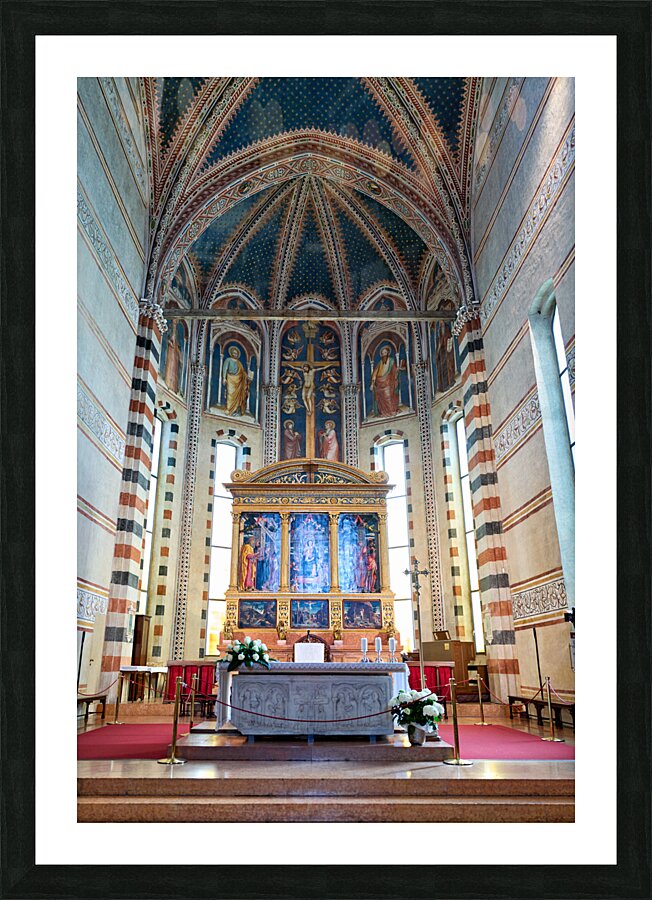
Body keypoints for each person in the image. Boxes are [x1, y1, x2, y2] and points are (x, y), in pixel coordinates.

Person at [370, 345, 403, 418]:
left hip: (388, 382)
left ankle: (391, 411)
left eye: (385, 352)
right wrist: (372, 384)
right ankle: (383, 412)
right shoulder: (379, 363)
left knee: (387, 395)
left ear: (388, 353)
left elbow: (394, 370)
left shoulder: (391, 361)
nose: (384, 354)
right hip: (379, 383)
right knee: (379, 395)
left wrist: (398, 370)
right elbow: (374, 373)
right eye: (382, 353)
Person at [222, 346, 253, 416]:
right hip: (230, 378)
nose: (235, 354)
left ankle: (236, 410)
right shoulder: (228, 360)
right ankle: (228, 409)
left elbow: (243, 372)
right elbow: (225, 369)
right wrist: (224, 378)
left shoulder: (239, 363)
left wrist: (248, 377)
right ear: (231, 353)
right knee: (230, 394)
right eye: (234, 353)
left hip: (238, 380)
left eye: (236, 353)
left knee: (238, 396)